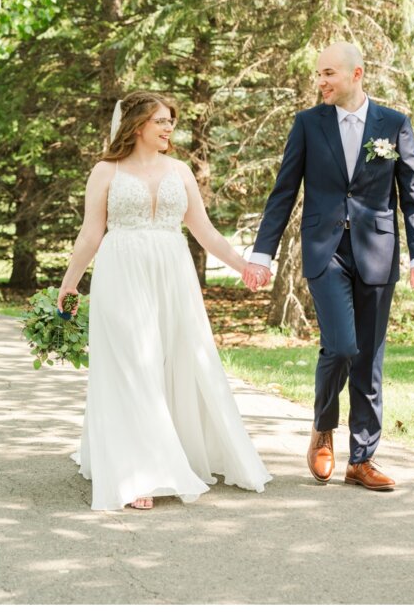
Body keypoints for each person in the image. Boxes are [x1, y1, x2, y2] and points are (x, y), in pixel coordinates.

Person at [58, 90, 272, 511]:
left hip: (172, 276)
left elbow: (204, 231)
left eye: (171, 119)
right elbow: (90, 235)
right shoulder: (105, 171)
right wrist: (69, 285)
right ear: (137, 125)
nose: (169, 127)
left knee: (177, 360)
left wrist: (242, 265)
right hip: (122, 274)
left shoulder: (180, 170)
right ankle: (138, 470)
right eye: (161, 120)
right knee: (133, 364)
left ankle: (175, 453)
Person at [243, 42, 414, 491]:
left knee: (369, 358)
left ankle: (362, 459)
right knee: (343, 345)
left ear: (356, 74)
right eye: (318, 74)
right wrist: (261, 253)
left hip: (378, 252)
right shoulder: (308, 124)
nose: (321, 81)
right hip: (325, 250)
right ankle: (323, 426)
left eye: (328, 73)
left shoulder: (394, 124)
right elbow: (284, 191)